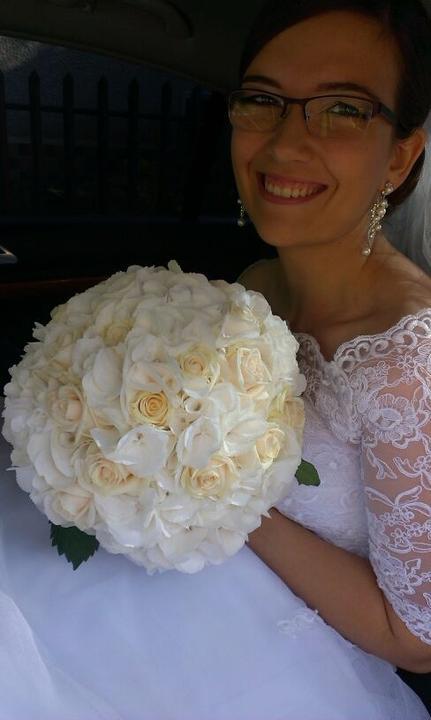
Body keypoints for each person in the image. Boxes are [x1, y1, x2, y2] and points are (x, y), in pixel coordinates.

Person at [0, 1, 430, 718]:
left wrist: (214, 499)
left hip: (265, 659)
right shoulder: (255, 286)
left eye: (342, 110)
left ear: (400, 156)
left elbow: (414, 637)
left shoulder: (408, 366)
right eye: (262, 100)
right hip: (157, 588)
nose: (285, 142)